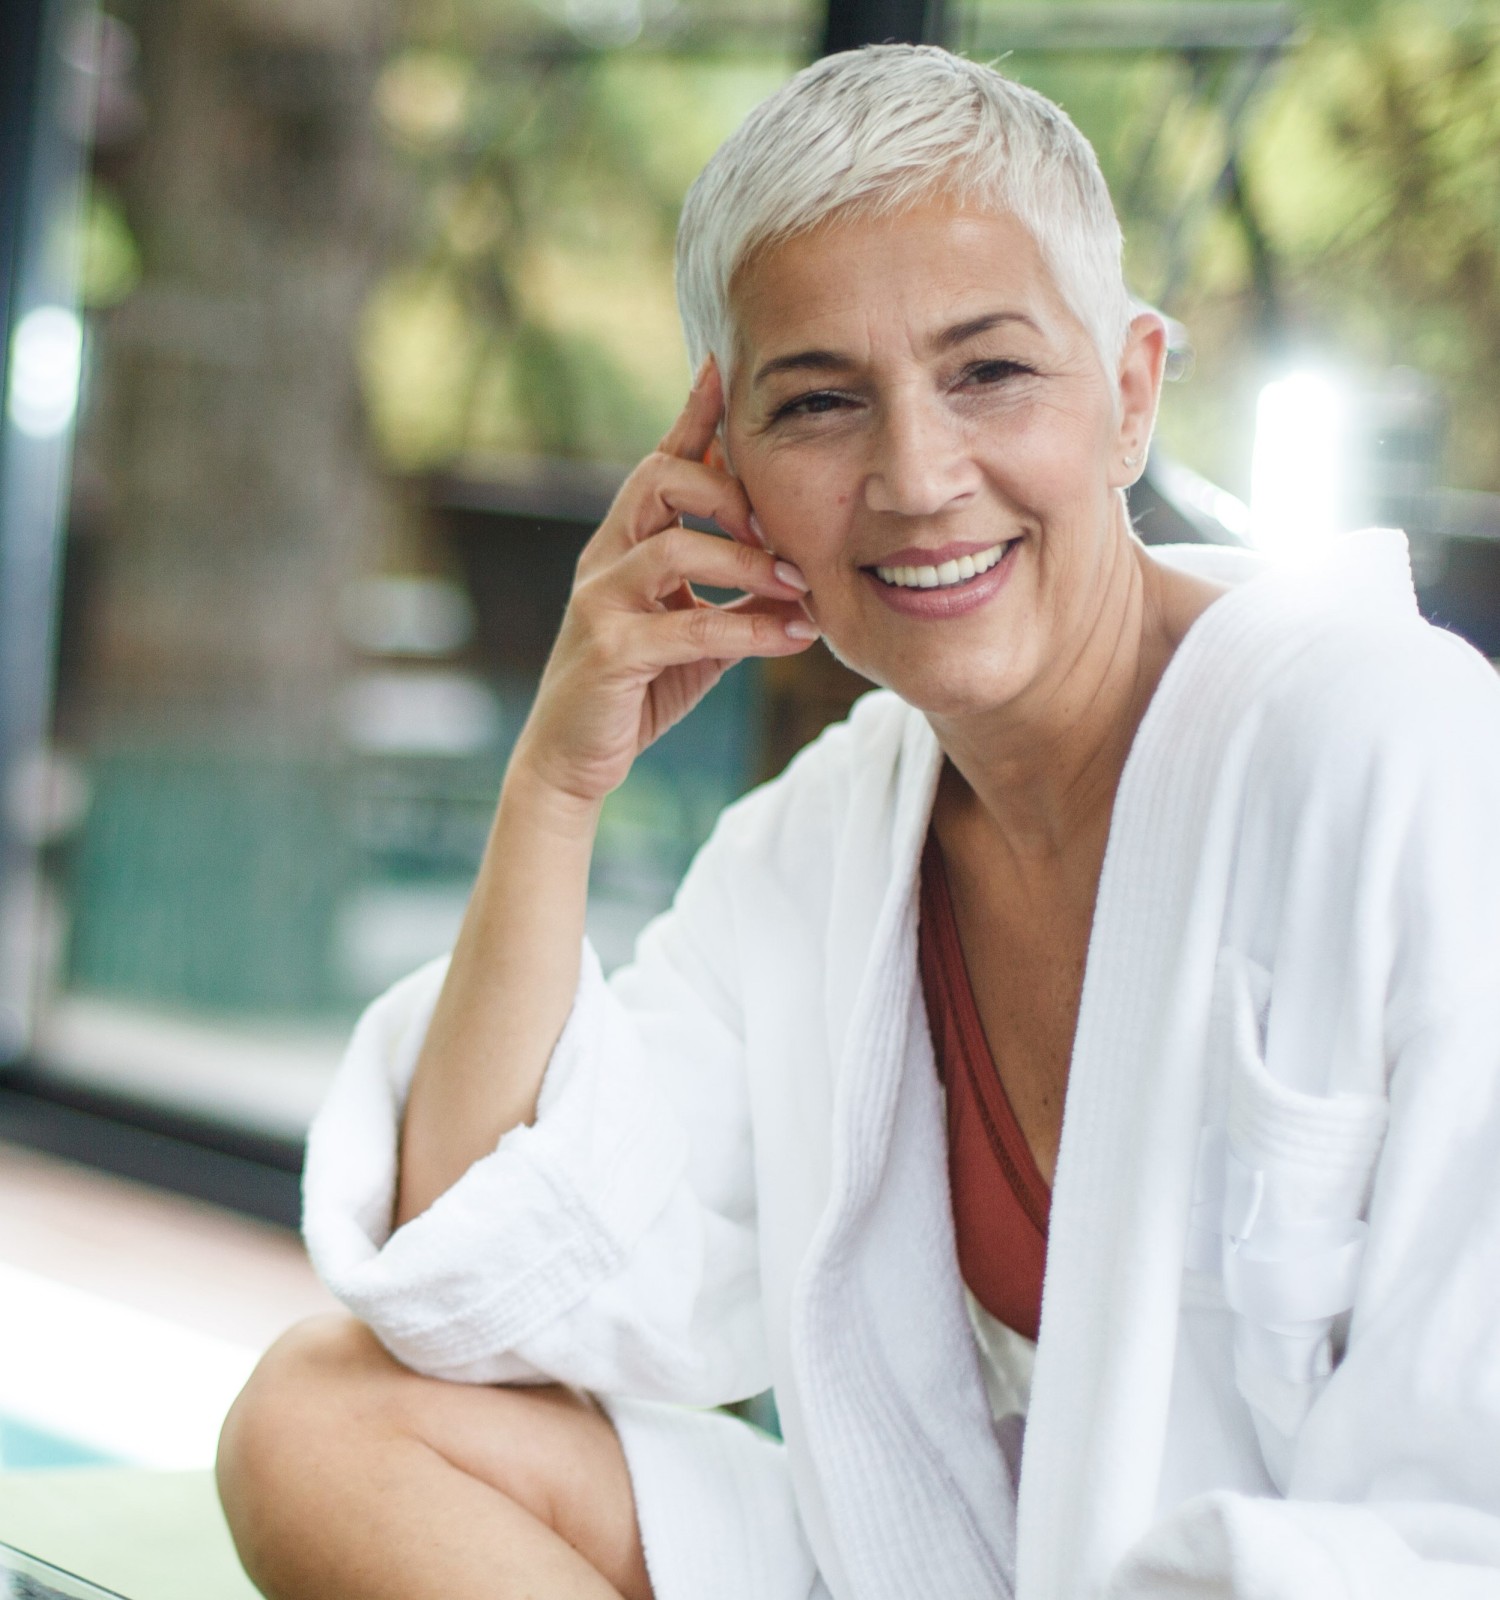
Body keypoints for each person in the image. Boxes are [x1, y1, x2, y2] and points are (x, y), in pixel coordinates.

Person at [216, 44, 1500, 1600]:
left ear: (1132, 395)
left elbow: (1458, 1516)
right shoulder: (830, 843)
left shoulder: (1403, 751)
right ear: (727, 476)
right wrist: (557, 784)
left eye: (990, 372)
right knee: (324, 1417)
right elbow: (478, 1279)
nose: (915, 473)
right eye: (820, 404)